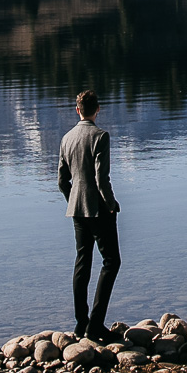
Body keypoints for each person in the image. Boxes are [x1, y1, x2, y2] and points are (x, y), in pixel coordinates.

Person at [57, 88, 122, 339]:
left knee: (82, 264)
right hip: (99, 210)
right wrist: (111, 204)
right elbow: (101, 178)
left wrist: (73, 200)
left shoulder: (66, 138)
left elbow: (62, 181)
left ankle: (80, 323)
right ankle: (95, 324)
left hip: (76, 209)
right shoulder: (100, 136)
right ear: (97, 110)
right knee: (111, 262)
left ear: (77, 110)